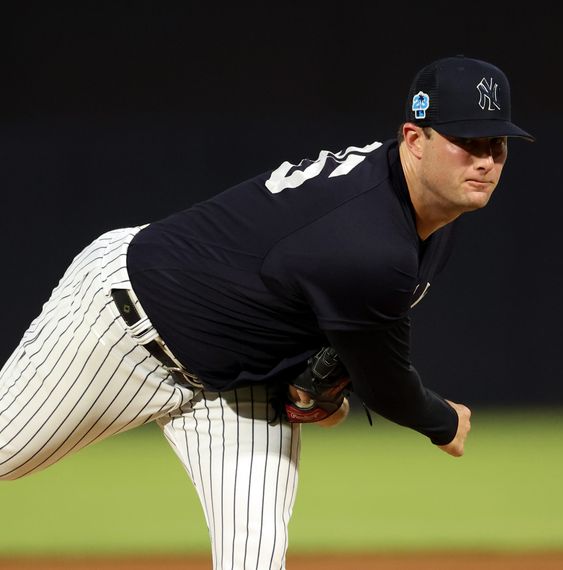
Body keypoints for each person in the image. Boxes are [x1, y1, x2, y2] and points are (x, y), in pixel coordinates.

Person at [0, 55, 533, 569]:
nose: (485, 160)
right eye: (466, 142)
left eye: (496, 144)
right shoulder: (368, 235)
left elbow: (338, 324)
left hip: (239, 381)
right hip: (126, 324)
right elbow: (386, 380)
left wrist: (316, 385)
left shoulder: (429, 212)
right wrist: (441, 420)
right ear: (414, 140)